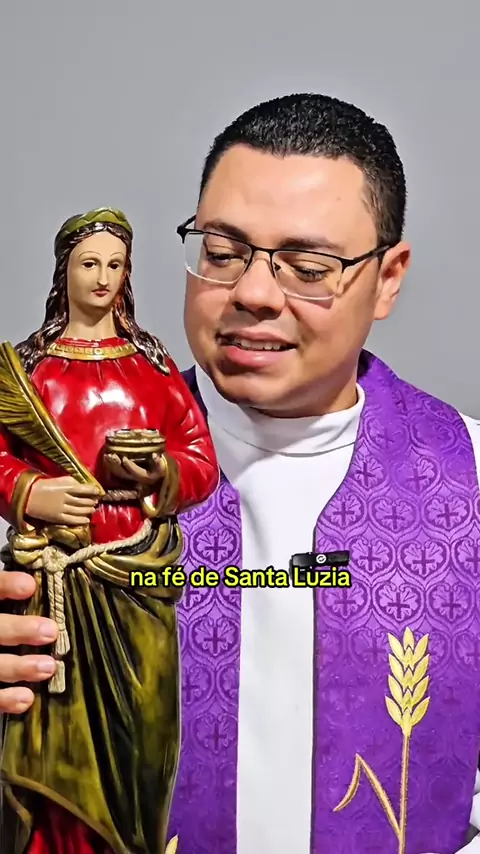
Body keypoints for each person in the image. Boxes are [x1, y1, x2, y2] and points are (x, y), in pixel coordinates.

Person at [1, 94, 479, 854]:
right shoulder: (50, 468)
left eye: (308, 267)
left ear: (389, 278)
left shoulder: (471, 475)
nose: (253, 294)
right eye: (222, 253)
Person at [0, 207, 218, 854]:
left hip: (137, 576)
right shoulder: (30, 369)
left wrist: (159, 472)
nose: (102, 277)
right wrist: (31, 491)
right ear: (63, 271)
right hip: (55, 580)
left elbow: (200, 461)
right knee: (51, 743)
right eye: (88, 263)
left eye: (115, 264)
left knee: (143, 741)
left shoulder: (151, 366)